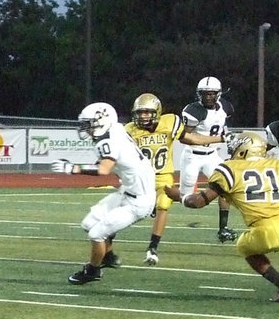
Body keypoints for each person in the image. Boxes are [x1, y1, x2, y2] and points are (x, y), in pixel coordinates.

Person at [163, 132, 279, 302]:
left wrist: (180, 196)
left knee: (245, 248)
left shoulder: (229, 169)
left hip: (266, 227)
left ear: (244, 150)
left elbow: (199, 202)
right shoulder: (277, 165)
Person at [51, 102, 155, 285]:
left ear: (102, 121)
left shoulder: (107, 141)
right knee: (88, 223)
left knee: (96, 234)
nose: (86, 128)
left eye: (89, 123)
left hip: (139, 202)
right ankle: (108, 256)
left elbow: (104, 170)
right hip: (128, 191)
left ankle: (93, 271)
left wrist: (73, 168)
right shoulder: (116, 128)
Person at [125, 93, 227, 265]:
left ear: (156, 112)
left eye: (147, 112)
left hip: (163, 176)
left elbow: (192, 138)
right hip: (140, 177)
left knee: (163, 205)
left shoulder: (169, 122)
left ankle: (153, 248)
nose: (143, 116)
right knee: (123, 211)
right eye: (140, 112)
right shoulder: (129, 130)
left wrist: (220, 138)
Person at [178, 76, 238, 243]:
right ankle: (158, 201)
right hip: (193, 156)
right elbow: (184, 138)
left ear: (218, 94)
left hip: (212, 156)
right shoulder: (193, 110)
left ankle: (223, 229)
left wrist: (226, 137)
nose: (207, 97)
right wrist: (218, 139)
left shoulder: (225, 106)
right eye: (204, 94)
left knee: (226, 187)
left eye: (211, 94)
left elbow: (222, 124)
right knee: (185, 197)